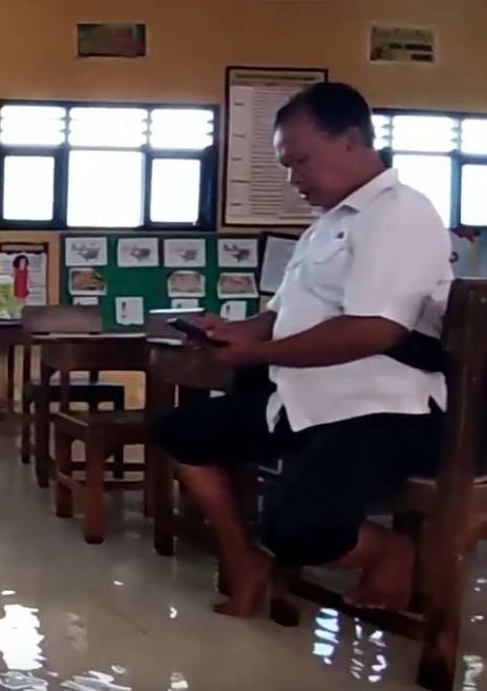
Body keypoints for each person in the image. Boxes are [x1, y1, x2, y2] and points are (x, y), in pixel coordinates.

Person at [150, 81, 451, 618]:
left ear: (352, 140)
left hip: (385, 408)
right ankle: (243, 559)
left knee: (297, 528)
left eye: (302, 161)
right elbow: (282, 315)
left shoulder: (400, 213)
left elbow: (374, 330)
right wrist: (238, 333)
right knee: (180, 432)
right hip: (303, 396)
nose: (295, 180)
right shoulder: (326, 226)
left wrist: (257, 356)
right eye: (287, 166)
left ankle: (393, 549)